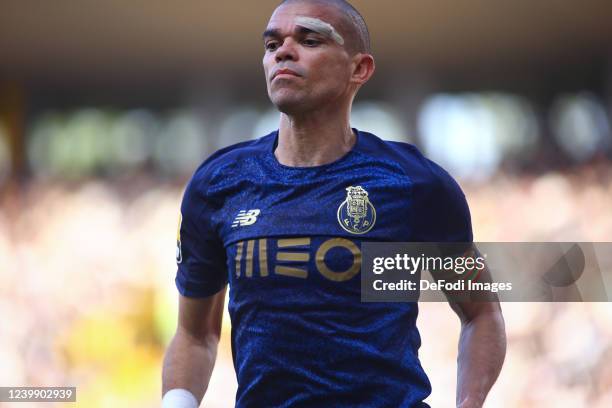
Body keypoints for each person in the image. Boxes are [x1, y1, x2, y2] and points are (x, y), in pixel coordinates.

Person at [162, 0, 506, 407]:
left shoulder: (415, 183)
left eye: (309, 39)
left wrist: (470, 403)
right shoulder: (218, 183)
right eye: (272, 45)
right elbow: (195, 334)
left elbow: (481, 313)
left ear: (359, 69)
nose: (283, 52)